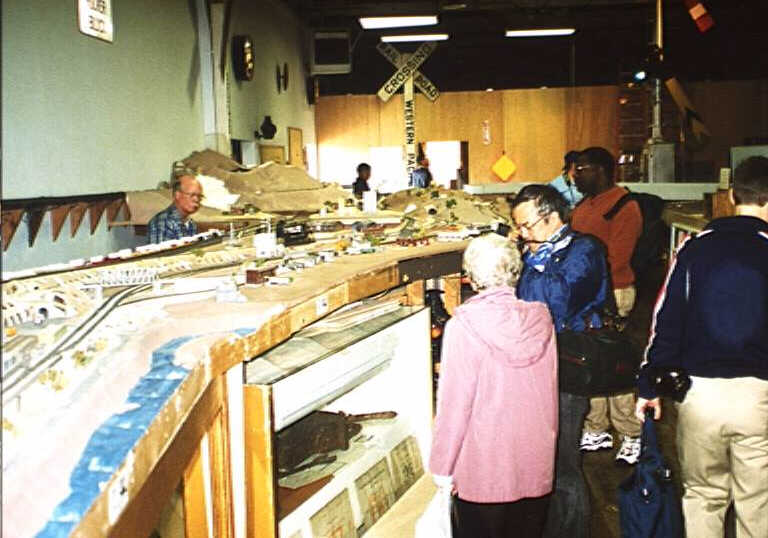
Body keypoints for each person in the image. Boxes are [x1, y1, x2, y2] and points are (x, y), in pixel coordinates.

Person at [636, 156, 768, 538]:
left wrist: (648, 384)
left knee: (702, 495)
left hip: (700, 395)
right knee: (757, 502)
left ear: (731, 196)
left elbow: (666, 320)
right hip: (759, 396)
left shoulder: (693, 249)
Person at [429, 233, 558, 538]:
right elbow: (550, 392)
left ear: (471, 278)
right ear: (516, 272)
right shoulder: (541, 319)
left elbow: (454, 405)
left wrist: (442, 466)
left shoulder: (463, 326)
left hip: (483, 471)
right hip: (535, 463)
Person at [511, 184, 610, 538]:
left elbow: (556, 302)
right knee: (539, 461)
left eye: (527, 225)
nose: (522, 234)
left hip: (568, 364)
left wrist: (532, 261)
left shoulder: (585, 250)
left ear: (552, 217)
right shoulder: (534, 252)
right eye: (518, 227)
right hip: (534, 363)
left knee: (564, 463)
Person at [571, 146, 643, 465]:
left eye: (581, 169)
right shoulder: (585, 205)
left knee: (615, 364)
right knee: (592, 362)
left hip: (614, 293)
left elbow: (618, 259)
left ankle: (631, 433)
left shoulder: (624, 206)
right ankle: (596, 427)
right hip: (587, 294)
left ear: (600, 170)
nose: (575, 176)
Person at [148, 173, 203, 244]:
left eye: (199, 196)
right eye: (192, 195)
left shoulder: (191, 224)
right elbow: (162, 251)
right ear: (177, 195)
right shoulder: (163, 222)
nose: (196, 199)